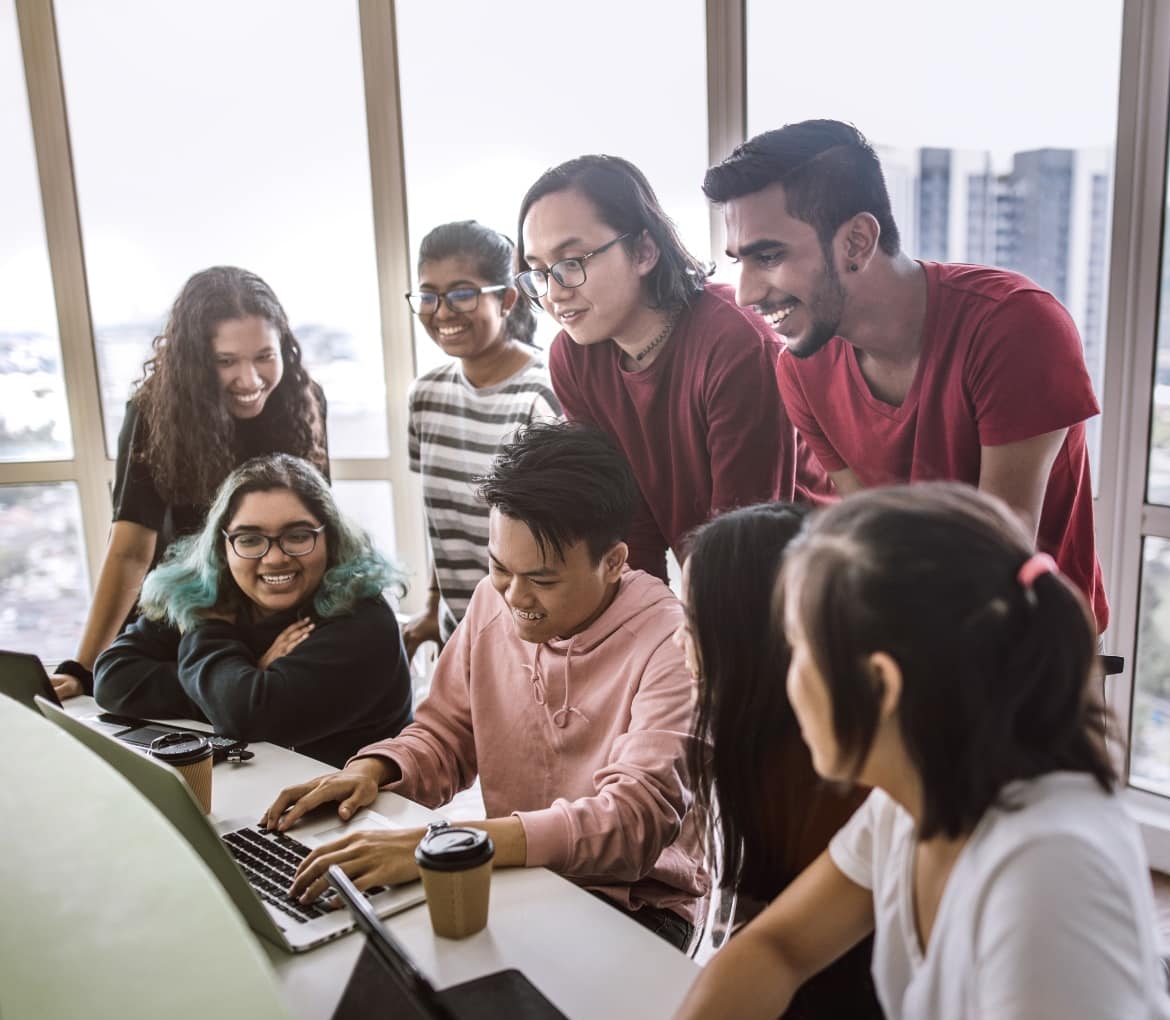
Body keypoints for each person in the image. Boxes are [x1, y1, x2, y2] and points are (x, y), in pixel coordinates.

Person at [537, 482, 1170, 1020]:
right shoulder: (912, 800)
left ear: (879, 686)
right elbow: (777, 949)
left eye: (797, 654)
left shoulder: (1048, 871)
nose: (786, 682)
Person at [263, 422, 706, 950]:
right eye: (499, 567)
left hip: (634, 906)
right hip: (513, 872)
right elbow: (446, 734)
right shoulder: (489, 601)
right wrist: (373, 770)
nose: (515, 596)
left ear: (613, 562)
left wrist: (452, 842)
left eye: (542, 580)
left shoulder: (671, 642)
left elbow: (633, 823)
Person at [702, 120, 1109, 632]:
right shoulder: (801, 368)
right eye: (740, 261)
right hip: (915, 641)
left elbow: (1000, 556)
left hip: (1033, 651)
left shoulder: (1015, 323)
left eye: (769, 256)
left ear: (856, 241)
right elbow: (877, 537)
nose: (746, 293)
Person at [677, 502, 908, 1020]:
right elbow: (767, 943)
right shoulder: (752, 749)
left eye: (692, 620)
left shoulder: (852, 785)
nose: (680, 640)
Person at [515, 154, 832, 583]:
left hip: (801, 584)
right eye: (538, 272)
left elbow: (746, 537)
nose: (553, 293)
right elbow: (626, 523)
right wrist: (643, 630)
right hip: (718, 577)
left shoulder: (736, 343)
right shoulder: (573, 356)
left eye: (572, 262)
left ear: (644, 251)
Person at [52, 266, 329, 700]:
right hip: (183, 619)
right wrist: (82, 668)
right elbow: (129, 551)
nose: (251, 380)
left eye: (264, 356)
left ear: (285, 349)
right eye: (226, 361)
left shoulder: (303, 399)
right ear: (196, 362)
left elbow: (317, 529)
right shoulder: (153, 411)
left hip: (271, 610)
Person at [93, 454, 411, 768]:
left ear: (331, 538)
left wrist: (213, 643)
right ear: (223, 546)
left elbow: (248, 716)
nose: (274, 558)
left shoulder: (365, 620)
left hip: (365, 807)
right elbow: (111, 679)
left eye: (298, 536)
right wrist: (234, 682)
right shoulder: (205, 594)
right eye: (250, 539)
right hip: (256, 791)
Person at [404, 220, 560, 659]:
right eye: (429, 295)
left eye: (461, 293)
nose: (442, 311)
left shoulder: (541, 395)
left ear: (507, 299)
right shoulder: (424, 396)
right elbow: (440, 522)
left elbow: (554, 543)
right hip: (462, 638)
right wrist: (433, 608)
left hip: (532, 640)